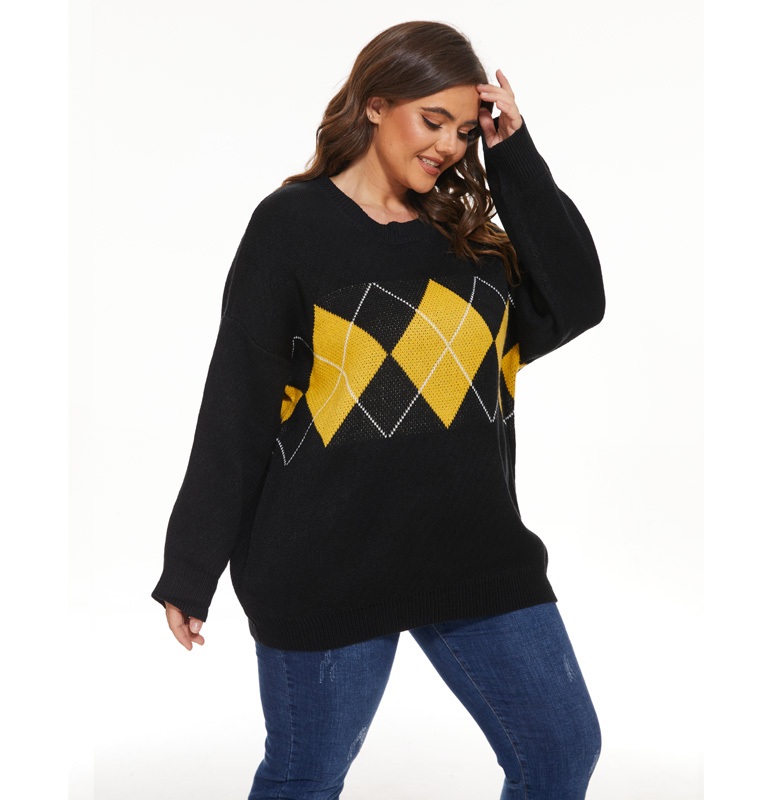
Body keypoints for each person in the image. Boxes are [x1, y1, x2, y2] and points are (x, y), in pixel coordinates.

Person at [152, 20, 606, 800]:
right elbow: (238, 404)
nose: (449, 146)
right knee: (306, 777)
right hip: (326, 563)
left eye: (464, 132)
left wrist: (515, 157)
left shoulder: (471, 244)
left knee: (562, 751)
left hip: (475, 552)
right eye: (433, 121)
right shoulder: (291, 226)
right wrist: (190, 569)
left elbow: (578, 300)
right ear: (374, 103)